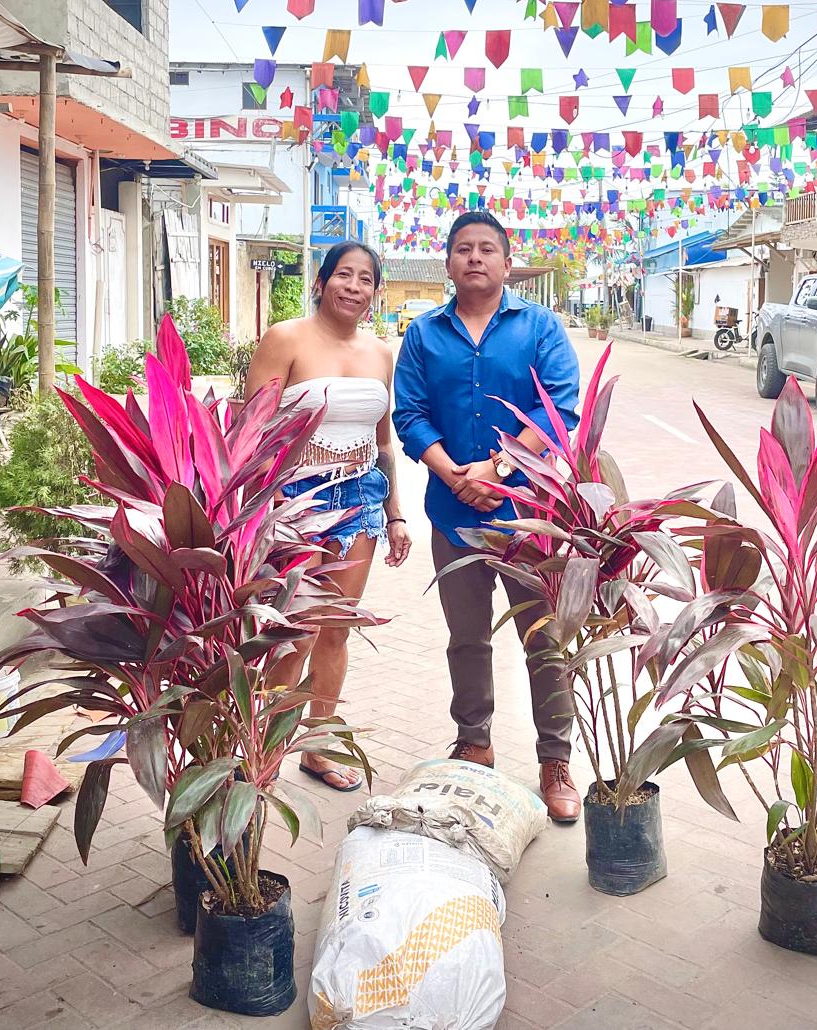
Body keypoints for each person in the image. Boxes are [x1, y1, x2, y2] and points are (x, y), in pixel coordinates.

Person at [393, 211, 583, 823]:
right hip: (453, 513)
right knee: (467, 637)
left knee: (543, 638)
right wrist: (454, 474)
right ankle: (474, 741)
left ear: (506, 261)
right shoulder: (424, 335)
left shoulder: (541, 328)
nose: (474, 257)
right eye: (463, 249)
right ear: (448, 262)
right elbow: (410, 413)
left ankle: (556, 760)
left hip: (528, 514)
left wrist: (498, 469)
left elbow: (559, 409)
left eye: (486, 249)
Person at [245, 240, 410, 792]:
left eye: (365, 279)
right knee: (293, 632)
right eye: (344, 275)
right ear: (321, 282)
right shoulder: (285, 338)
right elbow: (253, 432)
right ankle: (263, 751)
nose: (353, 287)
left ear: (375, 292)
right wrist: (261, 510)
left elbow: (382, 442)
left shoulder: (381, 353)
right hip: (296, 501)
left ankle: (316, 748)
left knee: (335, 631)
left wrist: (396, 514)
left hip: (360, 498)